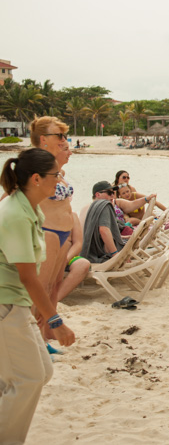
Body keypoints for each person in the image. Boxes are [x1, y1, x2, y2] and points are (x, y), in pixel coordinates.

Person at [0, 148, 76, 444]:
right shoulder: (15, 213)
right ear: (36, 178)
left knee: (40, 371)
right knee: (28, 379)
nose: (59, 180)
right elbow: (28, 277)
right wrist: (55, 320)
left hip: (15, 303)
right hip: (6, 305)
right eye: (55, 175)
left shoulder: (30, 207)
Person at [28, 117, 76, 341]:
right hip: (47, 234)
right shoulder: (33, 165)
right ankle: (33, 339)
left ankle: (45, 335)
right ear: (43, 139)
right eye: (59, 136)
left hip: (62, 235)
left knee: (53, 286)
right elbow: (13, 193)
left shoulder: (55, 169)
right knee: (41, 290)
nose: (63, 140)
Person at [82, 181, 134, 263]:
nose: (113, 195)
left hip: (89, 252)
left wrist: (122, 237)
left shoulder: (92, 206)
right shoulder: (105, 205)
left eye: (113, 193)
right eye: (109, 193)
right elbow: (104, 230)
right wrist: (115, 254)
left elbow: (96, 233)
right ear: (98, 194)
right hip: (102, 253)